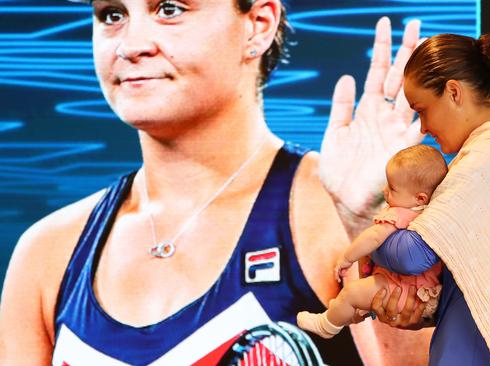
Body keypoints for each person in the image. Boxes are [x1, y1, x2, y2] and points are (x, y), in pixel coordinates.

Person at [0, 1, 431, 365]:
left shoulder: (336, 216)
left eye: (169, 9)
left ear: (258, 25)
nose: (130, 45)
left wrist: (374, 225)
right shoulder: (47, 253)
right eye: (112, 14)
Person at [321, 33, 490, 365]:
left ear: (453, 92)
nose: (423, 127)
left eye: (422, 110)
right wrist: (414, 306)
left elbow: (413, 255)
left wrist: (377, 228)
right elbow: (466, 287)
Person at [297, 145, 447, 338]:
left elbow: (374, 236)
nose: (385, 192)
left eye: (392, 188)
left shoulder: (400, 214)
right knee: (359, 294)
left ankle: (327, 325)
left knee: (350, 293)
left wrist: (347, 257)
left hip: (401, 289)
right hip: (420, 291)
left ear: (419, 198)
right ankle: (352, 312)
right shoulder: (431, 215)